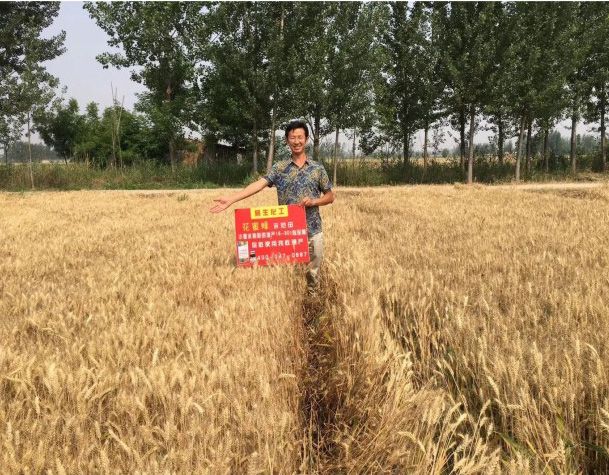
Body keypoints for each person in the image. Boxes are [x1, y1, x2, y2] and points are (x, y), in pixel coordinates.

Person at [210, 119, 335, 293]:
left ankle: (312, 299)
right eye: (292, 138)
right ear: (287, 140)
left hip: (313, 230)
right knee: (290, 275)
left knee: (313, 274)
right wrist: (232, 199)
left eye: (300, 137)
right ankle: (292, 301)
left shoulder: (317, 169)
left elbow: (330, 196)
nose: (296, 141)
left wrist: (314, 201)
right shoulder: (280, 168)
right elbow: (258, 185)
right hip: (288, 232)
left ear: (306, 139)